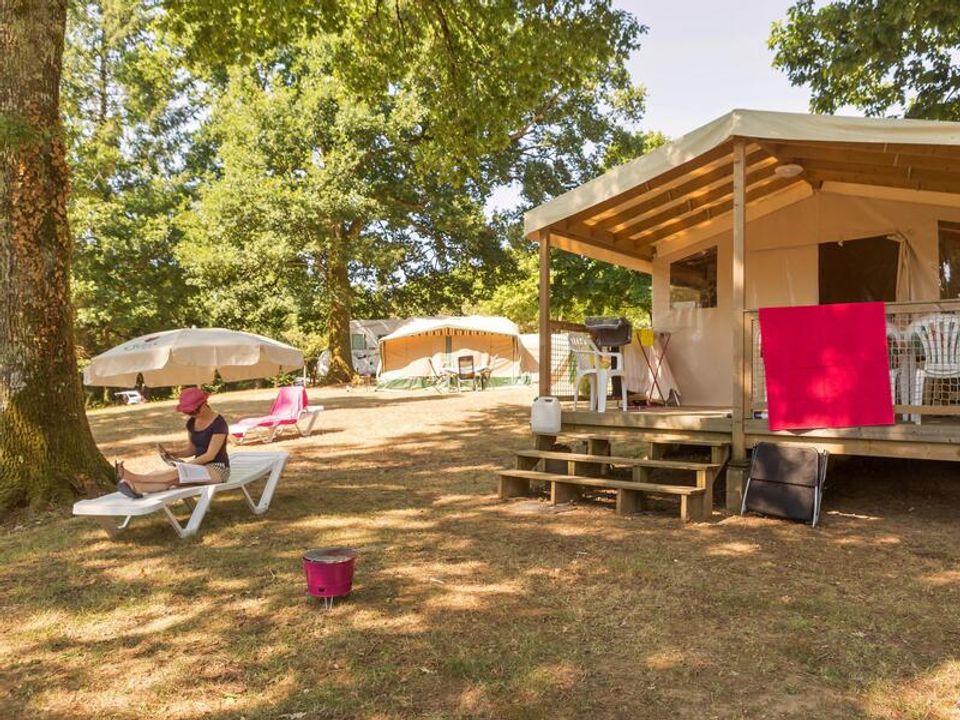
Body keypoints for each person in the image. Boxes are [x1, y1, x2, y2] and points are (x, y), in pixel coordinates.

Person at [116, 387, 230, 498]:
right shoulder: (191, 423)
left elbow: (210, 455)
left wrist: (187, 466)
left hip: (218, 469)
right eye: (188, 412)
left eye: (195, 410)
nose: (192, 414)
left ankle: (134, 477)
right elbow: (192, 449)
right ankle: (137, 488)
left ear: (204, 403)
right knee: (172, 479)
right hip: (199, 467)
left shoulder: (219, 423)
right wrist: (174, 454)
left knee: (177, 473)